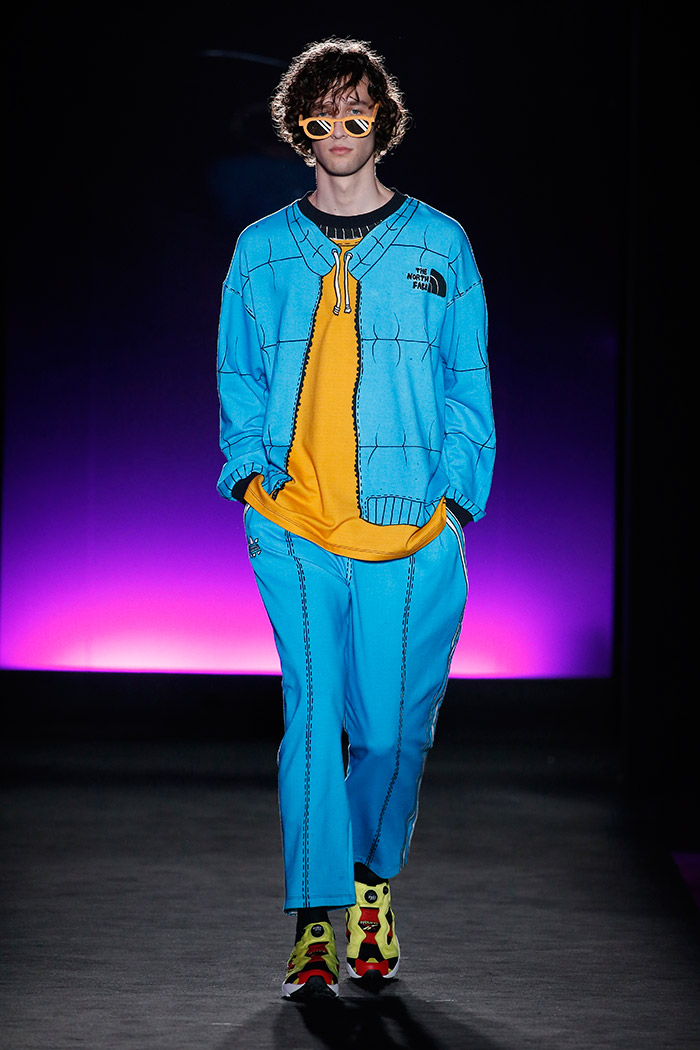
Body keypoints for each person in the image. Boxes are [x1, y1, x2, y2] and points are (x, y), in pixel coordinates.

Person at [216, 37, 495, 1000]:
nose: (338, 130)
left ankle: (372, 887)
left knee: (387, 736)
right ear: (299, 129)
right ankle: (313, 925)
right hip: (295, 523)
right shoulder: (261, 248)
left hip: (411, 533)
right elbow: (237, 371)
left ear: (383, 120)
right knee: (312, 721)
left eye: (355, 112)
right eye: (321, 115)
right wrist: (252, 475)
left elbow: (468, 379)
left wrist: (455, 496)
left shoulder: (439, 243)